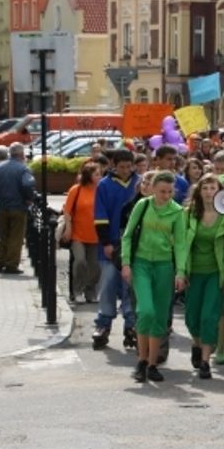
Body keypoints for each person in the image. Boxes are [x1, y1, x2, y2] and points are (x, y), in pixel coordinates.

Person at [122, 171, 188, 383]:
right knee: (146, 311)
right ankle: (141, 359)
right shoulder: (142, 206)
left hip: (164, 266)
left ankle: (152, 364)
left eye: (170, 192)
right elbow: (128, 235)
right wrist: (125, 263)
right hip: (141, 263)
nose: (166, 195)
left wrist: (180, 271)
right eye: (162, 191)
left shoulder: (178, 212)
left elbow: (180, 243)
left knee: (160, 316)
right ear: (151, 189)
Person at [181, 174, 224, 378]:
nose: (209, 192)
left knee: (209, 316)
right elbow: (180, 244)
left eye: (213, 188)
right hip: (194, 272)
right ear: (199, 191)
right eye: (205, 188)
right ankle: (196, 343)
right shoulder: (189, 214)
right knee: (192, 317)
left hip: (216, 273)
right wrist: (181, 271)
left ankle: (205, 361)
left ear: (220, 192)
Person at [91, 149, 140, 349]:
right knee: (108, 285)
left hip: (135, 247)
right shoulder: (104, 185)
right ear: (113, 166)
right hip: (111, 243)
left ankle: (131, 325)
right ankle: (103, 324)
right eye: (122, 167)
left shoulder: (140, 184)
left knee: (131, 287)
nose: (126, 171)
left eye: (129, 167)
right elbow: (100, 216)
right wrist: (106, 243)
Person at [0, 143, 35, 275]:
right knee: (16, 237)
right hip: (18, 207)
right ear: (21, 154)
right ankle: (11, 265)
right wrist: (29, 198)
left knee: (3, 236)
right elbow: (27, 184)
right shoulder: (23, 169)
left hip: (2, 207)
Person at [65, 161, 102, 304]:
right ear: (88, 176)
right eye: (97, 174)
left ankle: (90, 291)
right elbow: (67, 211)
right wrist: (68, 228)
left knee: (95, 267)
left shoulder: (101, 190)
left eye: (100, 174)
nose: (100, 177)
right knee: (80, 261)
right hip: (78, 234)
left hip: (96, 234)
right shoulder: (77, 189)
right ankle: (77, 290)